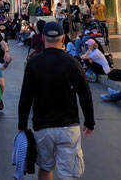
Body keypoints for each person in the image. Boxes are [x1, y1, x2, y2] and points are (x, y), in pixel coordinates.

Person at [18, 22, 94, 180]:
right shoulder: (73, 63)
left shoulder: (34, 63)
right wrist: (89, 121)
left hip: (42, 126)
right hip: (68, 125)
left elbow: (26, 96)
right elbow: (85, 94)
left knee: (46, 167)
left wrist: (22, 123)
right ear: (63, 39)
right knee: (67, 173)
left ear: (43, 38)